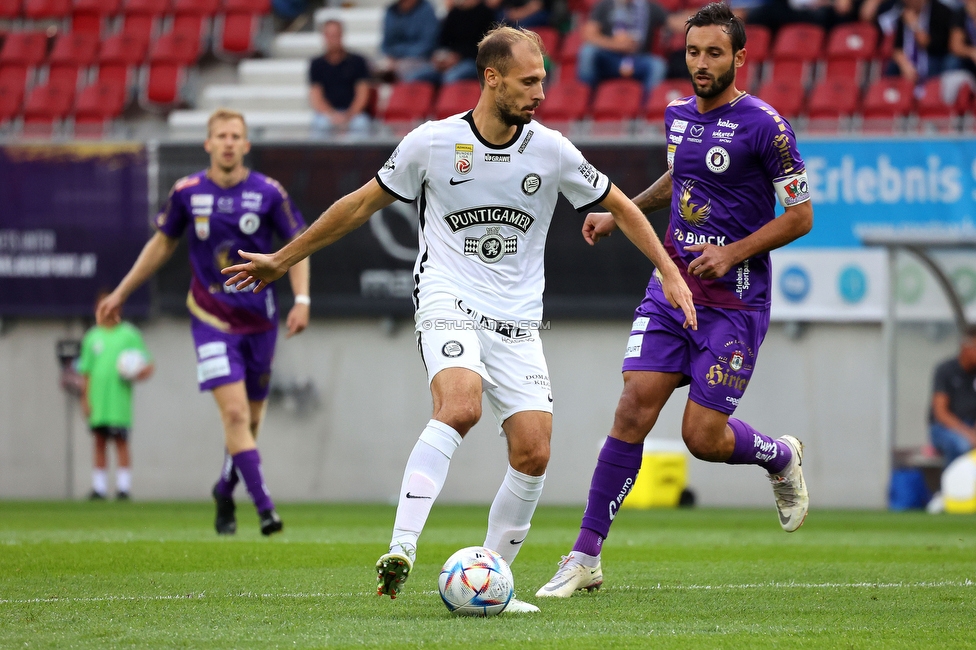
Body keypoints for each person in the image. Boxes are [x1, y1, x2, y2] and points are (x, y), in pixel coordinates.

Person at [222, 26, 696, 612]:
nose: (539, 92)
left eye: (543, 80)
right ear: (491, 78)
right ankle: (401, 547)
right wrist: (282, 258)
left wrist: (671, 273)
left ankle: (492, 584)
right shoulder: (432, 142)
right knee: (461, 406)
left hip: (518, 322)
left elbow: (621, 206)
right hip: (449, 299)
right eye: (528, 81)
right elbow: (359, 205)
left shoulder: (550, 150)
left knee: (534, 451)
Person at [536, 2, 813, 599]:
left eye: (714, 53)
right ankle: (585, 555)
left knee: (702, 437)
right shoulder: (676, 114)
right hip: (674, 288)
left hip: (734, 302)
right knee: (633, 408)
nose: (701, 63)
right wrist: (621, 213)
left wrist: (735, 251)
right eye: (693, 52)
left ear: (740, 57)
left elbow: (801, 216)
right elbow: (679, 182)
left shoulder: (768, 125)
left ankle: (778, 456)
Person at [96, 108, 310, 535]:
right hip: (210, 319)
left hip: (260, 323)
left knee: (248, 424)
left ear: (246, 145)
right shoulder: (187, 191)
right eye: (221, 135)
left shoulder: (268, 192)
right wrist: (121, 292)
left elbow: (296, 245)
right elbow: (161, 245)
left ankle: (224, 490)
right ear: (208, 144)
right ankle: (266, 507)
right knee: (233, 417)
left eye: (236, 135)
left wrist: (302, 298)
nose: (229, 142)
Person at [77, 291, 154, 500]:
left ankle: (123, 488)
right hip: (98, 401)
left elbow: (148, 366)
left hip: (119, 402)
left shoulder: (129, 334)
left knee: (121, 442)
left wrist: (137, 372)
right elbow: (86, 372)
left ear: (118, 307)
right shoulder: (92, 337)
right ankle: (99, 488)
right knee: (99, 442)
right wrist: (85, 399)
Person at [576, 0, 683, 94]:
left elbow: (675, 23)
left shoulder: (650, 6)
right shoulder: (605, 4)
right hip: (609, 58)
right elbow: (589, 35)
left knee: (658, 66)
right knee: (588, 51)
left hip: (638, 59)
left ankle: (646, 108)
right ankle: (586, 95)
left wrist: (697, 16)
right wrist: (616, 45)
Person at [309, 19, 372, 136]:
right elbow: (316, 97)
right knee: (320, 125)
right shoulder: (316, 64)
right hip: (327, 114)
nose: (333, 39)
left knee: (361, 124)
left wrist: (348, 115)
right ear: (324, 37)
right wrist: (332, 115)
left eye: (336, 35)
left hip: (353, 114)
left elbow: (362, 94)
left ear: (342, 35)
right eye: (330, 35)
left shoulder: (358, 61)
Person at [413, 0, 498, 84]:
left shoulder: (486, 14)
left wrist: (459, 56)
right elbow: (443, 42)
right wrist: (439, 57)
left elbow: (486, 48)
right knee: (416, 76)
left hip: (472, 61)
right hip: (448, 60)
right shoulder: (454, 13)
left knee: (449, 78)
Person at [929, 325, 976, 467]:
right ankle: (953, 486)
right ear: (966, 347)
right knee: (962, 445)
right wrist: (968, 433)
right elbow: (941, 414)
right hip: (945, 428)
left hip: (971, 427)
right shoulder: (946, 370)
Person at [888, 0, 958, 86]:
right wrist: (905, 65)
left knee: (934, 63)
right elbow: (897, 48)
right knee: (892, 67)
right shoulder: (904, 12)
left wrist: (914, 26)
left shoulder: (941, 11)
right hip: (908, 61)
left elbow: (933, 45)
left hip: (934, 57)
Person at [377, 0, 441, 83]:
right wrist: (390, 56)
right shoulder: (391, 11)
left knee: (403, 69)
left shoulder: (426, 9)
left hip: (420, 58)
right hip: (395, 59)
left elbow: (427, 44)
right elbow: (386, 43)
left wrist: (399, 55)